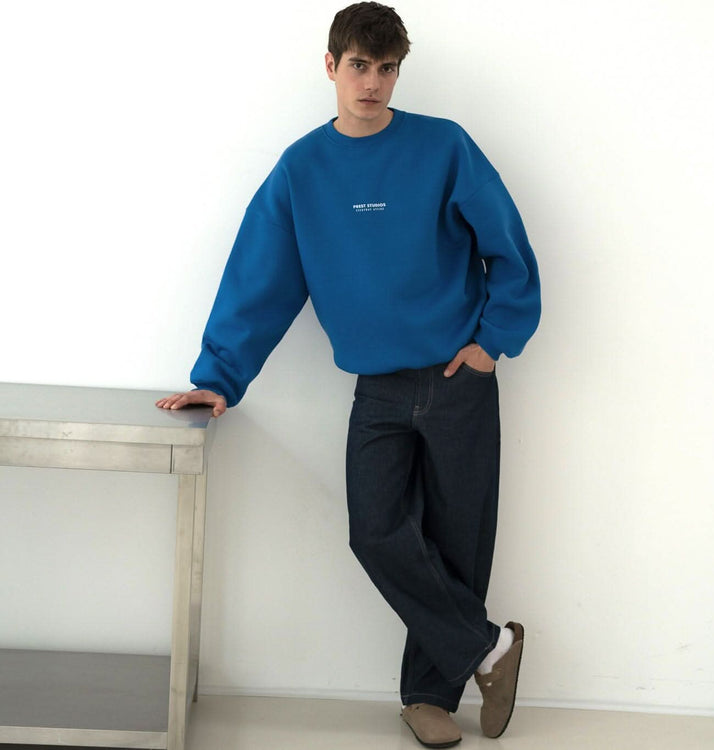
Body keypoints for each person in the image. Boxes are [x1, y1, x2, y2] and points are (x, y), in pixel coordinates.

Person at [157, 2, 541, 746]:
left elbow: (508, 246)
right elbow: (260, 279)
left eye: (386, 68)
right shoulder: (302, 168)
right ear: (331, 65)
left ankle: (428, 698)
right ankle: (490, 649)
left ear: (398, 71)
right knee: (376, 531)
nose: (372, 83)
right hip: (380, 388)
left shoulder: (445, 146)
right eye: (359, 66)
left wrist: (494, 342)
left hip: (458, 378)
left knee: (459, 541)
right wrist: (220, 376)